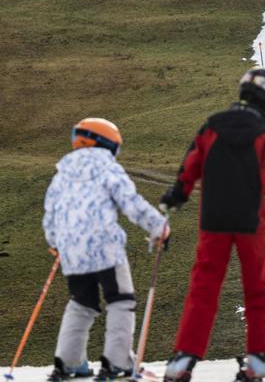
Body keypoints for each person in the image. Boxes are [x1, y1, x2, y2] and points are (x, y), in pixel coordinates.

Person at [160, 68, 265, 382]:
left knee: (204, 287)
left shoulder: (210, 127)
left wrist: (176, 196)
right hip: (250, 223)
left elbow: (189, 168)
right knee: (258, 288)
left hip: (213, 221)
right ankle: (261, 357)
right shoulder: (263, 136)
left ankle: (182, 360)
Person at [43, 118, 170, 382]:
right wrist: (159, 227)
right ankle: (117, 363)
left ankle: (68, 363)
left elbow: (50, 213)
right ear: (107, 144)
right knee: (120, 300)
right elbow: (131, 203)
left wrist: (54, 242)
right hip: (105, 249)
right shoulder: (107, 168)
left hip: (72, 252)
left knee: (81, 303)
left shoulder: (61, 173)